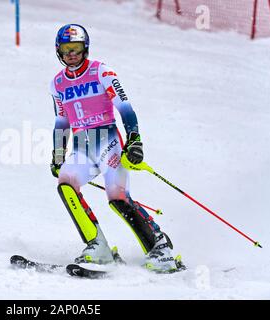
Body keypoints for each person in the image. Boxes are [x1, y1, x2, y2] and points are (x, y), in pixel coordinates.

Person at [49, 24, 182, 272]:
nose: (72, 55)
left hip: (107, 140)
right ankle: (97, 246)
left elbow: (125, 107)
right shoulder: (57, 83)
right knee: (66, 185)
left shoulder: (102, 71)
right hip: (81, 145)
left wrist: (134, 139)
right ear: (59, 51)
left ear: (85, 48)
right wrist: (58, 155)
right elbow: (62, 121)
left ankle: (159, 247)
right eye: (67, 50)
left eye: (76, 49)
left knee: (117, 198)